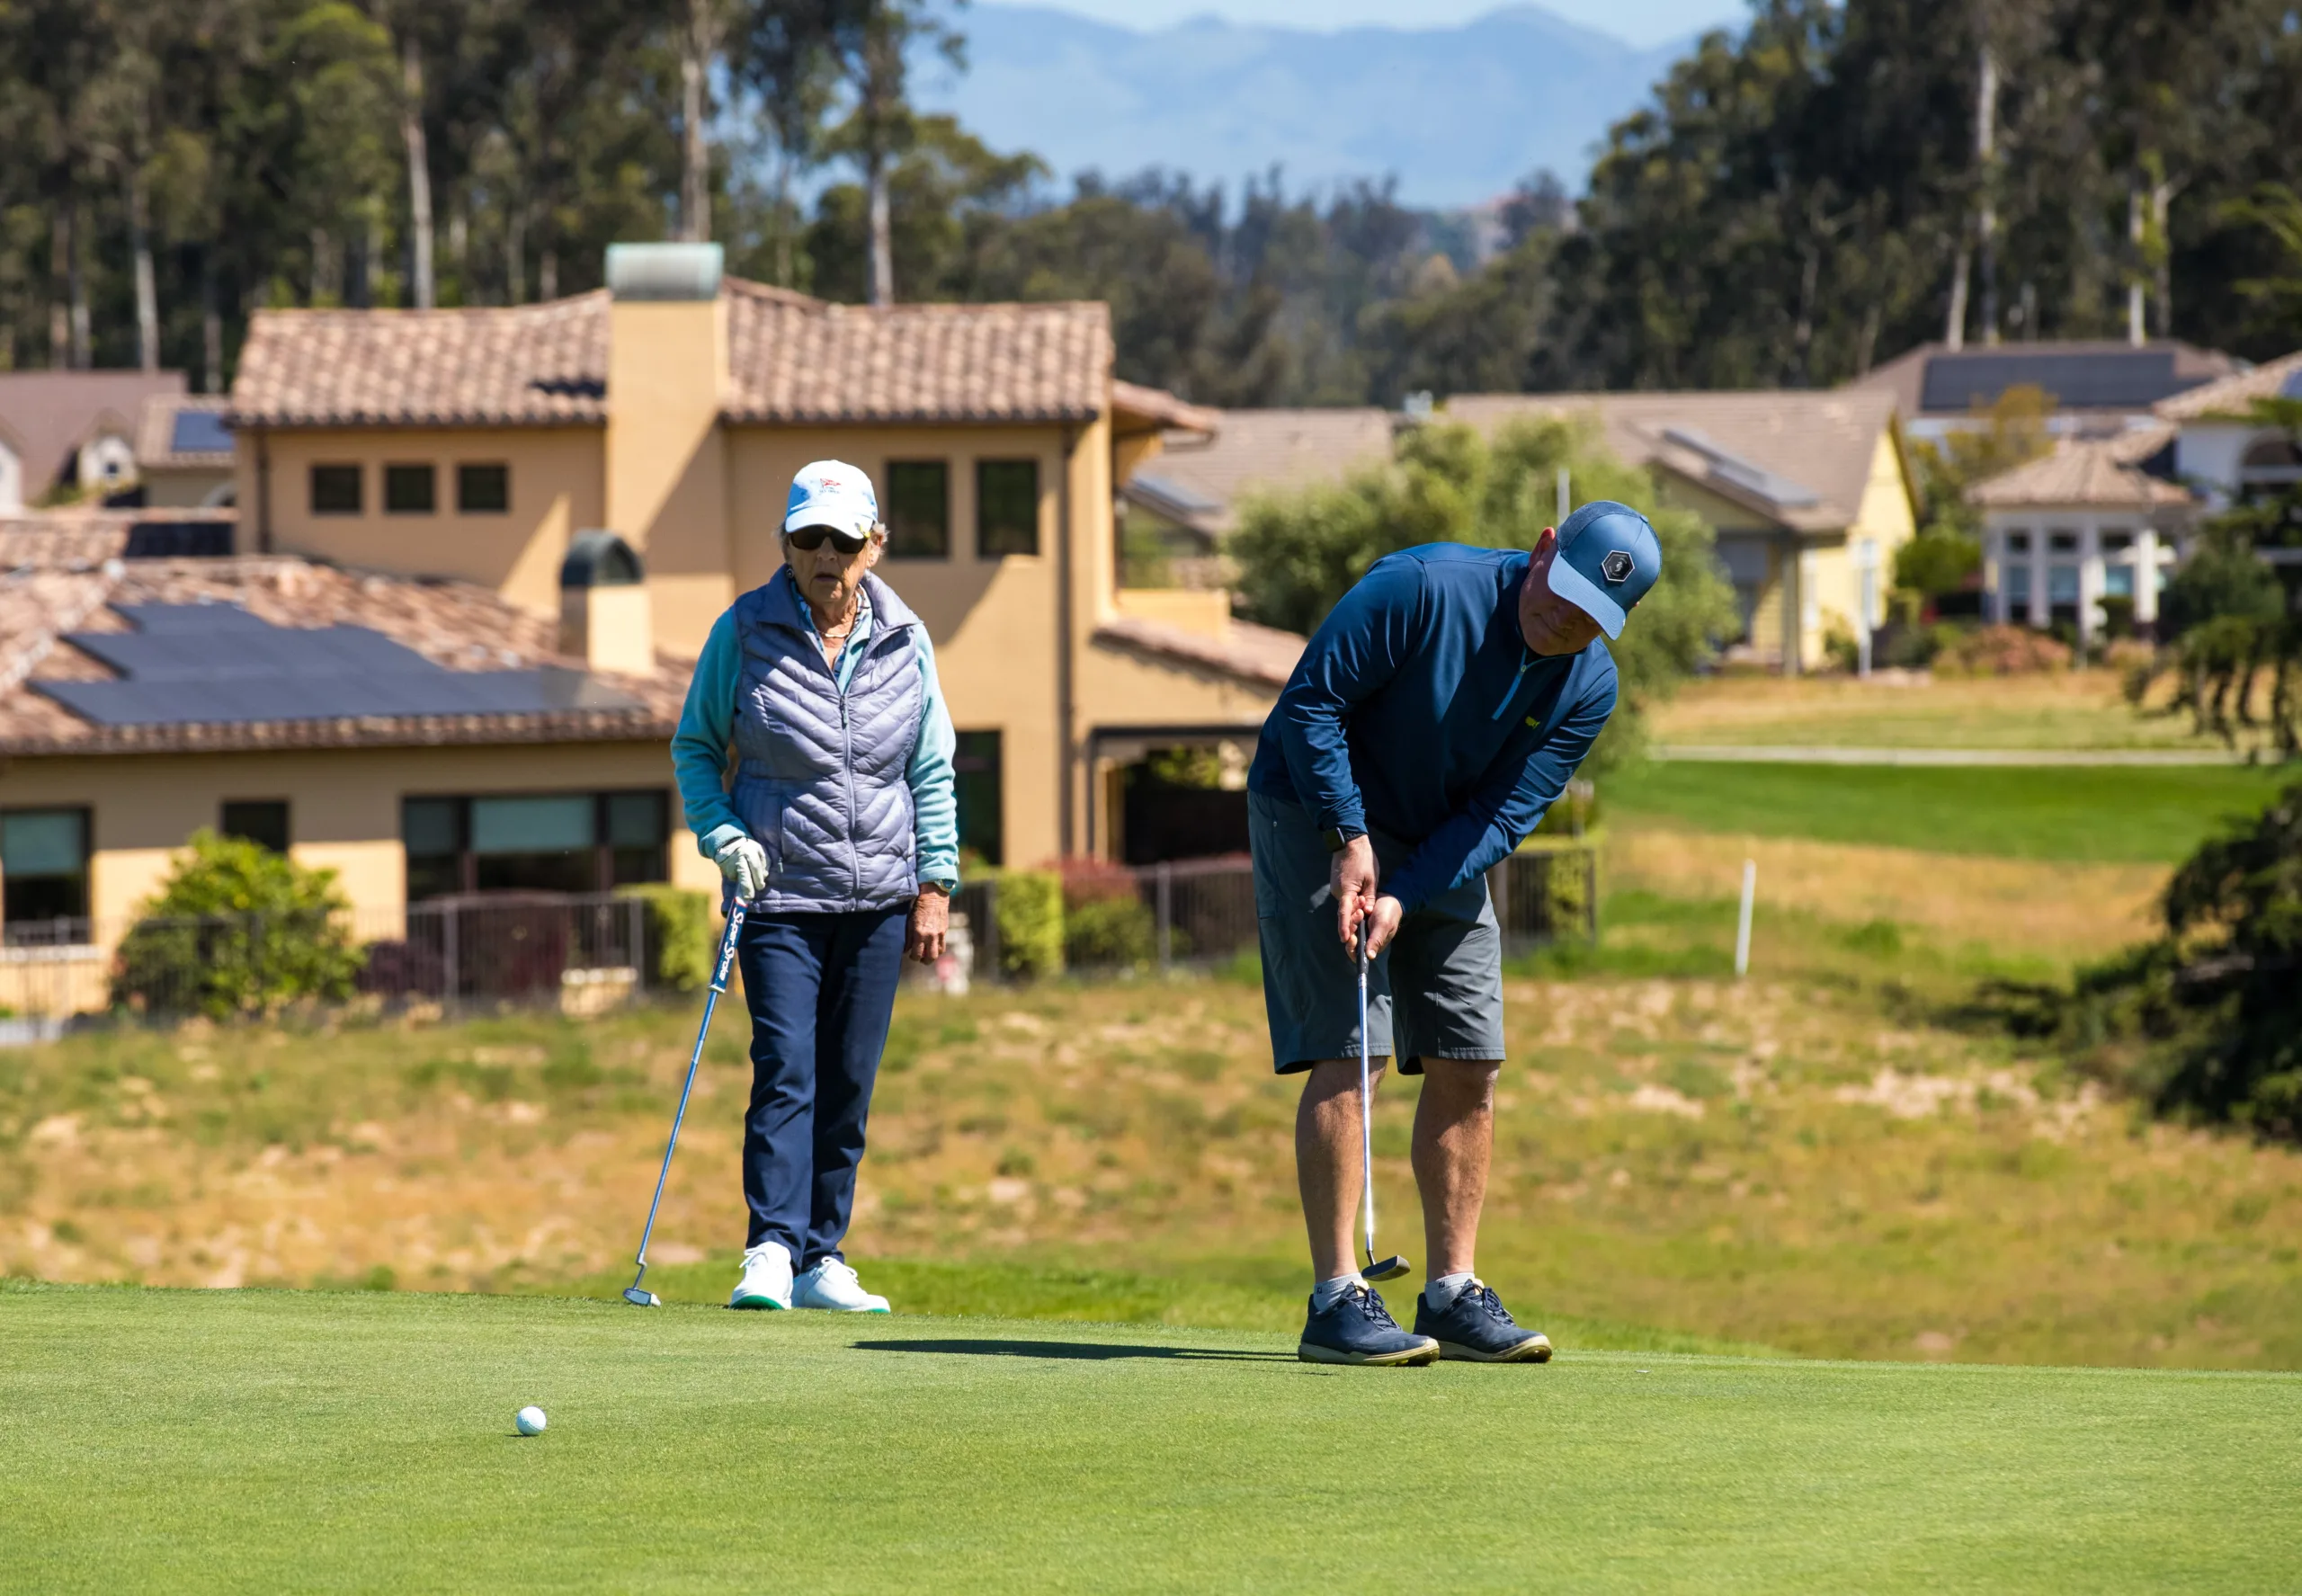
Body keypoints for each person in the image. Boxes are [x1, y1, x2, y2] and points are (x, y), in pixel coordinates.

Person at [1248, 500, 1663, 1365]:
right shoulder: (1422, 588)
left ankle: (1451, 1294)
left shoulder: (1589, 684)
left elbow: (1504, 810)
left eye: (1593, 616)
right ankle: (1337, 1296)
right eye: (1566, 592)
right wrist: (1351, 839)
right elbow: (1311, 706)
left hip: (1444, 843)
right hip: (1315, 810)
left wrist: (1407, 890)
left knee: (1472, 1059)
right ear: (1545, 548)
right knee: (1350, 1042)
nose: (1567, 620)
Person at [671, 459, 959, 1313]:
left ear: (874, 544)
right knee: (786, 1066)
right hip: (780, 894)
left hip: (877, 897)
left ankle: (822, 1257)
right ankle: (770, 1245)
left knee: (849, 1079)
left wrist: (935, 882)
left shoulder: (908, 638)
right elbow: (696, 748)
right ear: (786, 546)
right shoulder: (745, 631)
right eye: (808, 537)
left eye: (841, 538)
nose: (824, 553)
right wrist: (723, 836)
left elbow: (931, 767)